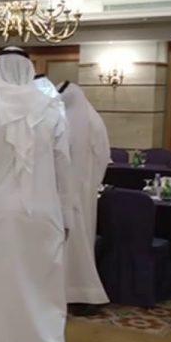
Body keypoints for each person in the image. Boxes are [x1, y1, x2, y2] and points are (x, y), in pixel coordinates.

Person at [0, 49, 72, 342]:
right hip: (44, 214)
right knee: (43, 287)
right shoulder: (52, 113)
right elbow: (65, 171)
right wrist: (65, 216)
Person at [59, 81, 111, 313]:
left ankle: (85, 293)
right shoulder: (61, 120)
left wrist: (89, 182)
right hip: (69, 190)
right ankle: (67, 291)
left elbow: (103, 155)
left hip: (81, 190)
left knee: (79, 239)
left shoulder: (91, 120)